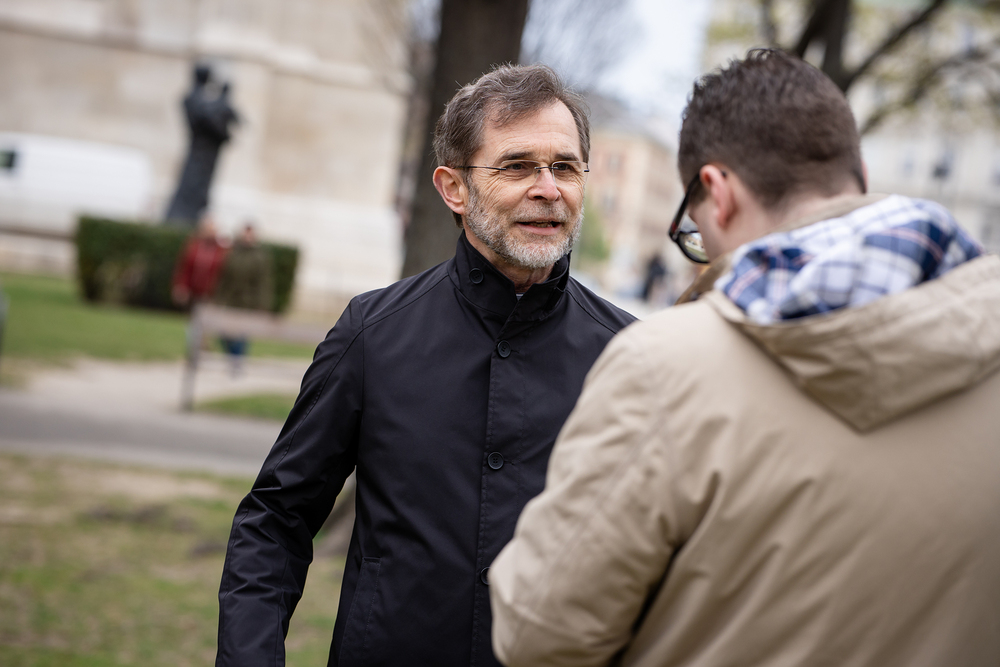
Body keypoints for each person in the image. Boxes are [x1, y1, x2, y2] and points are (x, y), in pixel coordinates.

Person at [490, 48, 1000, 667]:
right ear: (859, 174)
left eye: (696, 233)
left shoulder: (664, 368)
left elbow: (538, 635)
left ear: (718, 192)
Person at [215, 64, 635, 667]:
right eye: (517, 166)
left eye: (565, 167)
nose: (548, 188)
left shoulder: (631, 357)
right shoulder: (372, 334)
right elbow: (275, 521)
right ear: (453, 188)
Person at [212, 222, 273, 372]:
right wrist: (218, 299)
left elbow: (263, 283)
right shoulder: (232, 253)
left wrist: (263, 305)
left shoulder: (260, 257)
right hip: (230, 301)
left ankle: (237, 362)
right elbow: (224, 279)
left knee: (241, 336)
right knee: (224, 333)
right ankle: (232, 358)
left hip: (248, 303)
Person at [171, 215, 228, 307]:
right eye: (208, 230)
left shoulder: (221, 250)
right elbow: (184, 267)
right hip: (191, 290)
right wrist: (181, 286)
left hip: (210, 293)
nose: (210, 233)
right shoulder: (194, 246)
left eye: (212, 230)